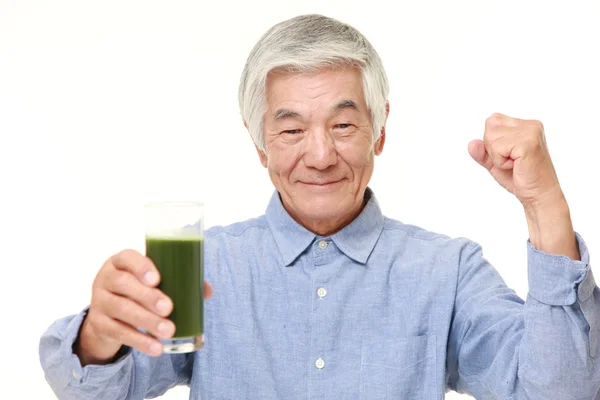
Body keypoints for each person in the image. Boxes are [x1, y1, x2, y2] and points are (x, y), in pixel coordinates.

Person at [39, 14, 599, 400]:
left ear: (379, 132)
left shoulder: (447, 272)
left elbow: (558, 390)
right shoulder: (205, 267)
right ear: (259, 143)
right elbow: (95, 388)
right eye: (290, 129)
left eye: (344, 124)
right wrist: (100, 336)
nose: (321, 154)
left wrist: (544, 203)